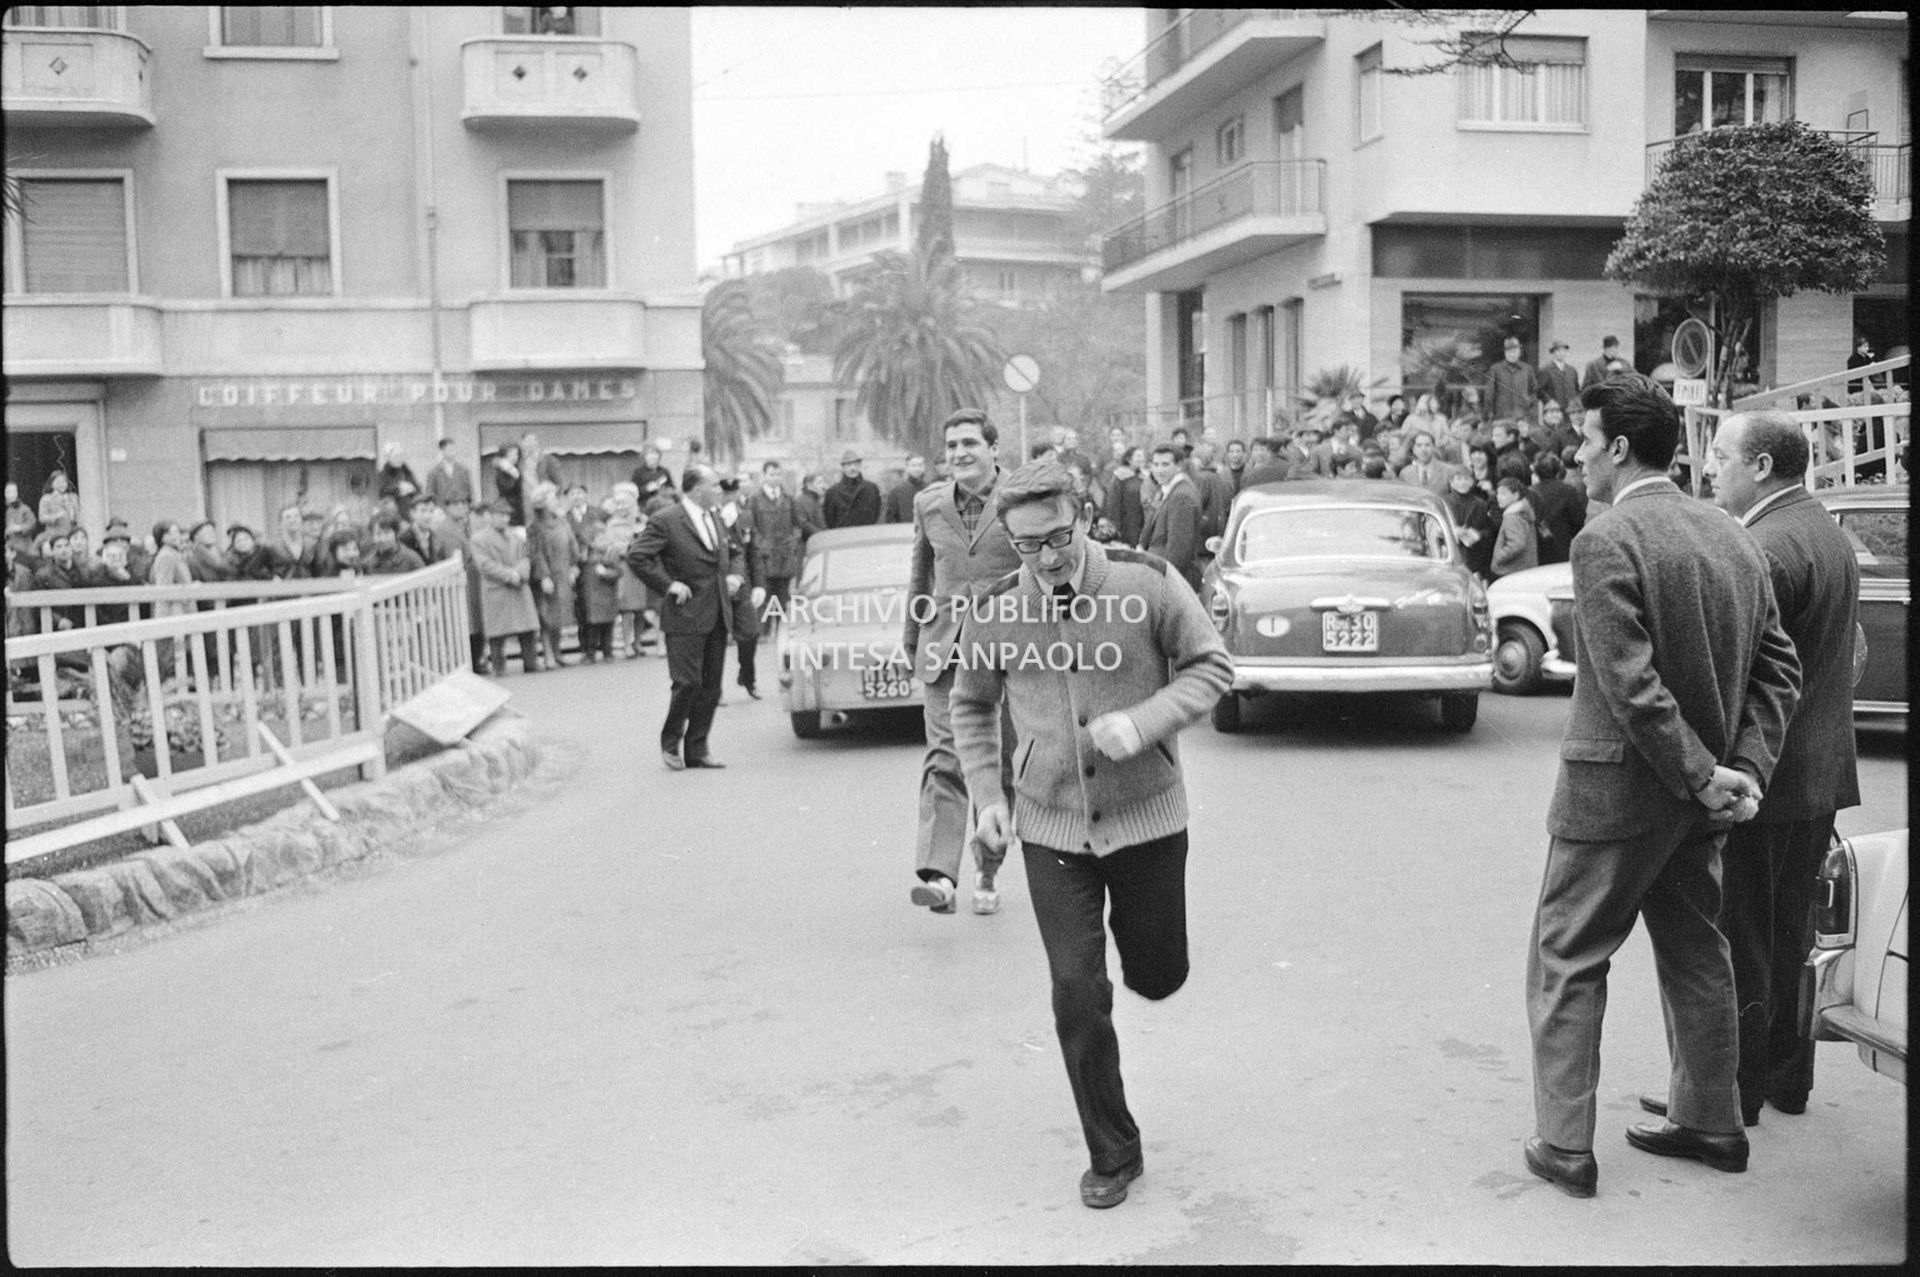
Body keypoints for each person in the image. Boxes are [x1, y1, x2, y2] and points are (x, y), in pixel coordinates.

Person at [1523, 373, 1800, 1200]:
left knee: (1568, 956)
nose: (1576, 452)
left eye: (1584, 437)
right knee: (1695, 951)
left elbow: (1629, 684)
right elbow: (1780, 668)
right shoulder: (1731, 532)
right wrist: (1739, 770)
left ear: (1617, 447)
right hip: (1700, 801)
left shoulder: (1605, 540)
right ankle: (1714, 1121)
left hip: (1615, 798)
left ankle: (1566, 1144)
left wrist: (1705, 771)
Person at [948, 458, 1232, 1210]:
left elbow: (1212, 667)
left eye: (1058, 538)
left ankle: (1153, 965)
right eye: (1027, 546)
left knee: (1157, 973)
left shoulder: (1147, 582)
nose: (1046, 559)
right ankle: (1114, 1150)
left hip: (1148, 819)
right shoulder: (998, 609)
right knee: (1077, 991)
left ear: (1083, 519)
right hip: (1051, 826)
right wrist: (987, 794)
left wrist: (1142, 723)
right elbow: (970, 706)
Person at [1638, 410, 1859, 1127]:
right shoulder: (1824, 530)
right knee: (1792, 933)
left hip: (1765, 773)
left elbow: (1747, 677)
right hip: (1820, 770)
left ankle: (1732, 1091)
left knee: (1741, 936)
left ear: (1761, 466)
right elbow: (1845, 652)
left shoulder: (1764, 546)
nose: (1709, 468)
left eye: (1723, 455)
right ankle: (1785, 1078)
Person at [901, 407, 1025, 916]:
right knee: (944, 760)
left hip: (1013, 652)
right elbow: (920, 581)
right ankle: (939, 877)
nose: (959, 454)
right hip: (945, 649)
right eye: (951, 446)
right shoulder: (928, 504)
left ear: (994, 448)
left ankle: (987, 869)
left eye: (969, 443)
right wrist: (913, 642)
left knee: (998, 765)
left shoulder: (1023, 498)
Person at [626, 464, 740, 770]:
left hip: (717, 612)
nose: (719, 491)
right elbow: (637, 556)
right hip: (685, 614)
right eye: (713, 485)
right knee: (687, 683)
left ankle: (698, 748)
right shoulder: (666, 520)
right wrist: (668, 584)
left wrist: (735, 578)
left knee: (712, 687)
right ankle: (670, 741)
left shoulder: (716, 517)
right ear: (696, 489)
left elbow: (734, 552)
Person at [470, 500, 541, 676]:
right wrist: (509, 575)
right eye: (500, 515)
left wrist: (520, 572)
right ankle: (499, 666)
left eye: (507, 515)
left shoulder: (516, 537)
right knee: (497, 632)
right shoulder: (479, 539)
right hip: (497, 587)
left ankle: (530, 662)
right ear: (490, 517)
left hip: (518, 586)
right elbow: (484, 564)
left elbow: (526, 557)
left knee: (527, 628)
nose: (504, 519)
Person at [717, 475, 766, 699]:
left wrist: (759, 585)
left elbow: (753, 552)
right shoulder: (712, 517)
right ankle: (714, 691)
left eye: (732, 493)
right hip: (717, 585)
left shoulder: (745, 516)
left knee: (751, 633)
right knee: (715, 641)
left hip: (743, 585)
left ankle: (747, 676)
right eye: (725, 493)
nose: (729, 497)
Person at [526, 482, 580, 669]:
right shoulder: (535, 525)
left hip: (563, 571)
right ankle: (548, 653)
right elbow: (536, 553)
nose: (555, 500)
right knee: (546, 615)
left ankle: (557, 652)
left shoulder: (562, 520)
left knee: (560, 614)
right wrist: (543, 577)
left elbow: (572, 544)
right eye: (551, 497)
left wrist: (574, 566)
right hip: (548, 575)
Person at [748, 461, 804, 637]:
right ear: (764, 475)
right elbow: (751, 526)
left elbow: (797, 525)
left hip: (784, 556)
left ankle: (780, 630)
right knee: (765, 593)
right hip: (763, 556)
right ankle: (763, 631)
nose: (775, 478)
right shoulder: (755, 500)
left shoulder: (788, 499)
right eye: (772, 474)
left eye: (778, 474)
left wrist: (793, 540)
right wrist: (760, 543)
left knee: (782, 595)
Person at [1138, 444, 1201, 591]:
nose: (1159, 470)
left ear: (1178, 466)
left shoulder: (1181, 496)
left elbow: (1178, 552)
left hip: (1171, 583)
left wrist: (1162, 585)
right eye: (1155, 464)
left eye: (1165, 464)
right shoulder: (1168, 489)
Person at [1530, 452, 1586, 566]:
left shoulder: (1530, 492)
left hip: (1537, 549)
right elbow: (1578, 520)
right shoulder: (1568, 491)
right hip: (1562, 546)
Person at [1490, 476, 1540, 579]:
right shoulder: (1523, 512)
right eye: (1498, 493)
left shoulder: (1512, 517)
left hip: (1511, 570)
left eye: (1503, 493)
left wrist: (1498, 556)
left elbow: (1517, 544)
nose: (1498, 497)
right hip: (1526, 567)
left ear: (1515, 495)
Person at [1101, 446, 1148, 549]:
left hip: (1142, 521)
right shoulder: (1120, 476)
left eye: (1142, 456)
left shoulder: (1145, 476)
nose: (1141, 458)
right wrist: (1116, 526)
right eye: (1138, 456)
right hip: (1126, 522)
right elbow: (1113, 503)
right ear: (1129, 459)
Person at [1487, 337, 1540, 426]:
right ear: (1505, 353)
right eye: (1509, 351)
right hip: (1501, 414)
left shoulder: (1527, 369)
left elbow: (1534, 390)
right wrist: (1490, 411)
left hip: (1522, 414)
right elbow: (1489, 392)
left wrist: (1530, 404)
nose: (1512, 354)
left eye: (1515, 351)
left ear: (1519, 352)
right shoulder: (1495, 369)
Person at [823, 449, 881, 528]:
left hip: (866, 534)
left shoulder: (871, 488)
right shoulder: (833, 492)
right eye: (849, 465)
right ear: (843, 467)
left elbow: (876, 514)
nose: (853, 468)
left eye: (855, 464)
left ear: (860, 465)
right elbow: (830, 520)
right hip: (843, 536)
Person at [1397, 430, 1456, 496]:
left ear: (1434, 448)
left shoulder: (1448, 471)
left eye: (1427, 445)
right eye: (1419, 445)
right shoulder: (1405, 473)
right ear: (1413, 449)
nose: (1423, 449)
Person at [424, 436, 474, 509]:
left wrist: (471, 506)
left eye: (454, 449)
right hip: (443, 510)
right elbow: (429, 494)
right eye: (450, 449)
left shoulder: (464, 470)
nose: (453, 452)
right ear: (443, 451)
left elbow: (470, 490)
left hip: (461, 508)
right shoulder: (434, 472)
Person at [1540, 340, 1582, 420]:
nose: (1562, 353)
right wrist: (1550, 402)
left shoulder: (1572, 370)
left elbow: (1577, 390)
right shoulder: (1546, 370)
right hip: (1554, 412)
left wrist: (1576, 404)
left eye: (1564, 350)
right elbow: (1540, 391)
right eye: (1558, 351)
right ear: (1553, 353)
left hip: (1571, 411)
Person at [377, 444, 421, 519]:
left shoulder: (407, 472)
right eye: (396, 456)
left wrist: (412, 489)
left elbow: (418, 491)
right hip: (394, 516)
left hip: (411, 513)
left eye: (401, 456)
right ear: (388, 458)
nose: (400, 459)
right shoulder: (383, 475)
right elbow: (382, 494)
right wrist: (398, 489)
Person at [882, 454, 929, 523]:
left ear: (924, 468)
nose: (917, 468)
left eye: (920, 465)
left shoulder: (931, 489)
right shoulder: (896, 492)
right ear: (907, 468)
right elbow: (891, 519)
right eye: (913, 466)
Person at [493, 443, 527, 528]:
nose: (515, 457)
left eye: (516, 454)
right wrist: (514, 477)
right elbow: (507, 488)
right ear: (505, 455)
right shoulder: (502, 470)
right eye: (512, 454)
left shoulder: (516, 468)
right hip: (508, 506)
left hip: (520, 506)